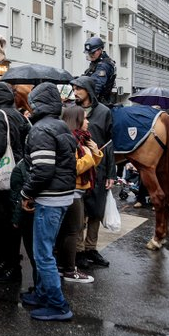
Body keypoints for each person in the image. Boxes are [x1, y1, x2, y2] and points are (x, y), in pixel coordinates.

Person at [19, 83, 77, 321]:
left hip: (49, 199)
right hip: (62, 195)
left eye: (32, 102)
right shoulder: (60, 125)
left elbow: (42, 170)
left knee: (43, 253)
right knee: (45, 249)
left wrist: (26, 193)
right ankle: (43, 294)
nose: (29, 106)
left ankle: (57, 305)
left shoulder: (41, 130)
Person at [0, 82, 30, 283]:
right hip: (18, 174)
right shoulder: (18, 115)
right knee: (12, 224)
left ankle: (10, 266)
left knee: (3, 225)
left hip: (3, 178)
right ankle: (8, 262)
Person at [71, 76, 116, 269]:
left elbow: (109, 145)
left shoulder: (104, 112)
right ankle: (79, 250)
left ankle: (91, 248)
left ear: (88, 90)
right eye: (73, 89)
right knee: (80, 212)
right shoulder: (72, 110)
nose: (75, 92)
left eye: (79, 89)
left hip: (100, 167)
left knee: (96, 210)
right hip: (80, 167)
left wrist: (111, 174)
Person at [56, 105, 102, 284]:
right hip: (72, 191)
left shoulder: (82, 139)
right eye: (85, 118)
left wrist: (95, 152)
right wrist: (90, 156)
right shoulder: (71, 140)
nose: (88, 121)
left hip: (78, 191)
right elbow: (73, 168)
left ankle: (63, 267)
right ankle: (69, 269)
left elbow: (90, 163)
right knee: (73, 231)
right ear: (76, 120)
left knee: (69, 231)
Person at [81, 36, 117, 104]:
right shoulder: (96, 63)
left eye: (93, 53)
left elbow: (96, 84)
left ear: (100, 50)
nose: (91, 55)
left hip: (100, 103)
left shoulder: (104, 65)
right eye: (89, 53)